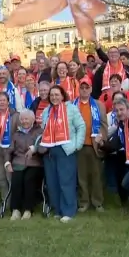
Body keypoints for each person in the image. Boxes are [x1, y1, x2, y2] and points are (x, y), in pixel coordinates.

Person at [39, 85, 86, 222]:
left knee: (66, 181)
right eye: (52, 95)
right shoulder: (46, 111)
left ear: (62, 95)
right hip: (50, 150)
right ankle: (58, 210)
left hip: (66, 150)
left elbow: (81, 126)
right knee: (53, 182)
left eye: (57, 94)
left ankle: (69, 211)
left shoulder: (71, 108)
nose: (54, 97)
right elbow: (44, 130)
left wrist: (77, 145)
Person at [74, 77, 108, 213]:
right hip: (79, 145)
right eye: (82, 87)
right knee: (81, 176)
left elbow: (104, 125)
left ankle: (98, 202)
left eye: (86, 87)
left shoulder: (99, 105)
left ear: (91, 89)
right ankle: (84, 202)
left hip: (94, 144)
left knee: (96, 175)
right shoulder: (72, 104)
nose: (84, 90)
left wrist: (102, 137)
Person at [4, 109, 44, 220]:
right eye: (22, 119)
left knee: (29, 180)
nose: (24, 121)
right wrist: (7, 163)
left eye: (26, 119)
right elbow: (9, 150)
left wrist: (35, 148)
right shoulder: (16, 134)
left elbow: (43, 147)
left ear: (33, 119)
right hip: (18, 163)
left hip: (34, 163)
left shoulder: (39, 131)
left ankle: (28, 210)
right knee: (16, 181)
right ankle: (15, 210)